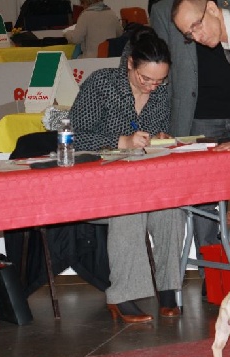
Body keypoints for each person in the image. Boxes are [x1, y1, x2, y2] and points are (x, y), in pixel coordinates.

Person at [68, 26, 185, 323]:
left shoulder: (160, 93)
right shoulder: (101, 83)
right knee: (130, 204)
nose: (152, 86)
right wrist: (122, 142)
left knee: (169, 206)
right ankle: (123, 295)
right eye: (145, 78)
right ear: (130, 63)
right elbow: (75, 138)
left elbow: (154, 133)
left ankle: (168, 287)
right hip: (97, 183)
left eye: (160, 81)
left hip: (141, 178)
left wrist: (160, 138)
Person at [152, 0, 230, 297]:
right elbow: (163, 72)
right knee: (202, 201)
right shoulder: (164, 11)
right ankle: (212, 273)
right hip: (195, 117)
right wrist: (162, 124)